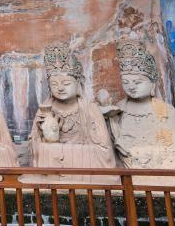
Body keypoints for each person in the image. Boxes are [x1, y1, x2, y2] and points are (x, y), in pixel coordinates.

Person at [27, 43, 115, 183]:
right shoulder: (45, 109)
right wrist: (44, 135)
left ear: (78, 83)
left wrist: (64, 151)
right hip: (53, 169)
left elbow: (105, 153)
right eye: (54, 84)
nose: (60, 88)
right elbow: (34, 149)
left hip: (83, 171)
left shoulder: (89, 109)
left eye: (66, 83)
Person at [100, 41, 175, 170]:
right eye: (126, 82)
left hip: (160, 170)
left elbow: (174, 146)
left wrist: (142, 154)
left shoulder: (166, 111)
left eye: (138, 82)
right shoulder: (118, 110)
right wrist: (100, 115)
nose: (131, 87)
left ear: (152, 84)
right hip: (126, 172)